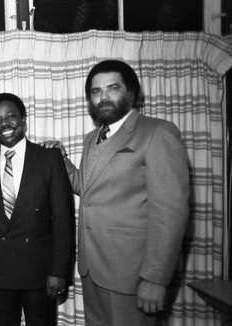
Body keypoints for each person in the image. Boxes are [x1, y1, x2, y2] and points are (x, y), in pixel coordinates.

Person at [44, 60, 190, 326]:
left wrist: (155, 278)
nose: (103, 98)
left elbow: (171, 213)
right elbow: (87, 191)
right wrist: (61, 160)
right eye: (96, 92)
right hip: (92, 270)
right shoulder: (92, 137)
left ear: (131, 94)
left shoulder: (157, 132)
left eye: (112, 88)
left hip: (133, 274)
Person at [0, 93, 75, 326]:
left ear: (23, 120)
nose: (4, 123)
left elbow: (63, 220)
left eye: (11, 116)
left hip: (41, 272)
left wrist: (59, 271)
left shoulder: (49, 158)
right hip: (0, 271)